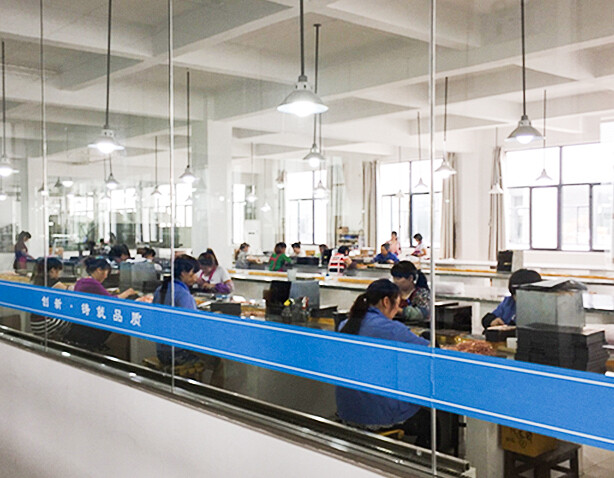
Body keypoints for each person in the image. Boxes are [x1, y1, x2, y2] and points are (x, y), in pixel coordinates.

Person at [336, 279, 433, 448]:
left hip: (346, 411)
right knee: (429, 420)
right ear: (386, 302)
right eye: (397, 304)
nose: (397, 310)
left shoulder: (345, 324)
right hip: (376, 417)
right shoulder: (392, 329)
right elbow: (429, 351)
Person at [67, 256, 136, 348]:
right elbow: (111, 301)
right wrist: (128, 293)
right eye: (107, 272)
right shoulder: (92, 283)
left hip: (81, 326)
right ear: (99, 270)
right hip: (90, 329)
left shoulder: (82, 281)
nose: (106, 276)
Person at [30, 257, 72, 340]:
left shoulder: (37, 280)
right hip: (46, 324)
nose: (59, 274)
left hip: (35, 324)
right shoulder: (53, 283)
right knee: (74, 317)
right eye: (58, 271)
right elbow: (71, 291)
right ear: (52, 270)